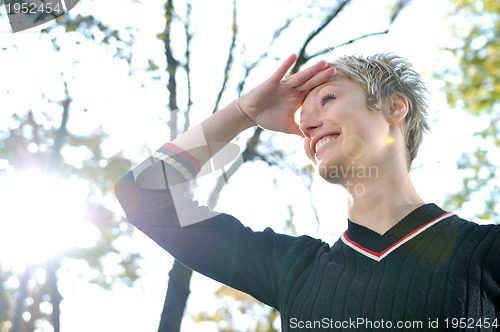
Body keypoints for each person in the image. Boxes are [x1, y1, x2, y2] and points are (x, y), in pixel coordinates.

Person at [115, 53, 500, 331]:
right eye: (302, 124)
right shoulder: (291, 271)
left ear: (394, 107)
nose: (309, 125)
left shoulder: (487, 251)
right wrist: (243, 113)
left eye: (327, 99)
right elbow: (144, 196)